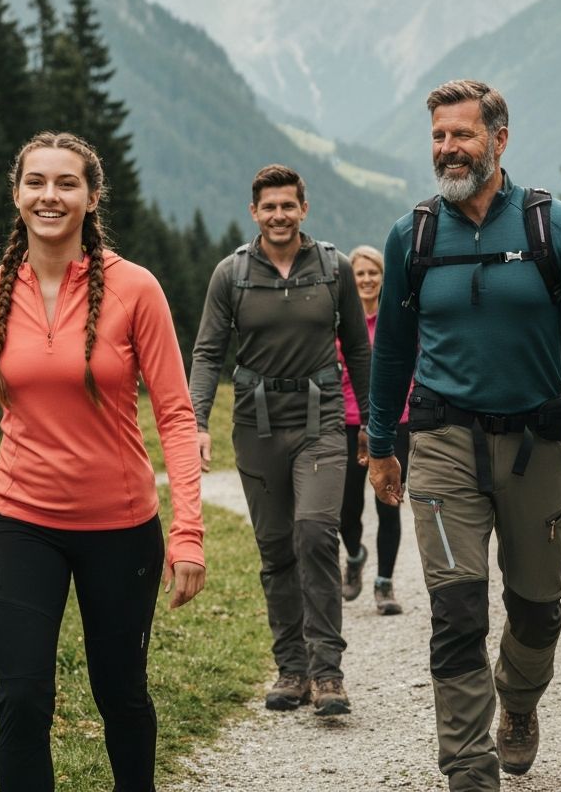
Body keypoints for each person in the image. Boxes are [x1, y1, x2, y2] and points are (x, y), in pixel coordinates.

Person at [0, 132, 205, 792]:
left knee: (122, 696)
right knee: (21, 701)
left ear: (92, 197)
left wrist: (188, 532)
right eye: (36, 182)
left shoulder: (137, 289)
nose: (50, 195)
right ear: (16, 195)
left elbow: (177, 416)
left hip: (123, 528)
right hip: (21, 525)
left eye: (66, 183)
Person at [367, 79, 561, 790]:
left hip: (536, 446)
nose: (448, 150)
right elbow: (391, 350)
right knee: (456, 610)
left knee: (539, 610)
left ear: (499, 140)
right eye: (438, 138)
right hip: (443, 441)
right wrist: (381, 445)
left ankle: (516, 702)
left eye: (462, 135)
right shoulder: (413, 234)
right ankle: (468, 769)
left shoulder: (553, 226)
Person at [190, 164, 371, 716]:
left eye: (287, 206)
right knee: (275, 550)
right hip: (256, 425)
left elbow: (360, 351)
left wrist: (372, 424)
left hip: (321, 422)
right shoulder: (232, 274)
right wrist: (196, 421)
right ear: (254, 213)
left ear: (303, 209)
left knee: (316, 533)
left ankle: (328, 672)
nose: (278, 215)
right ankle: (291, 669)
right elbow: (206, 354)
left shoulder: (333, 268)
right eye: (268, 207)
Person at [338, 244, 409, 616]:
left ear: (383, 278)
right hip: (346, 424)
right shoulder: (339, 321)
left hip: (395, 423)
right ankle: (354, 555)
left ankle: (384, 584)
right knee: (344, 509)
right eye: (359, 274)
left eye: (372, 273)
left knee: (389, 504)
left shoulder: (395, 319)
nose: (366, 280)